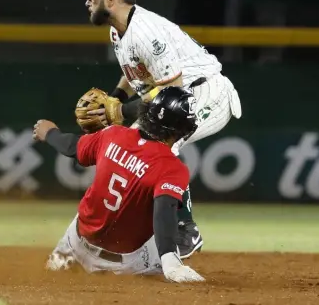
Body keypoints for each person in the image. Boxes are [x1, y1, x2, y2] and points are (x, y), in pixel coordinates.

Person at [72, 0, 242, 258]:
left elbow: (172, 93)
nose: (87, 2)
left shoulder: (145, 33)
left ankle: (186, 229)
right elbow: (134, 73)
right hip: (175, 96)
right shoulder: (119, 29)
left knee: (160, 145)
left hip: (205, 93)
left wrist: (122, 110)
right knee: (128, 150)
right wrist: (115, 98)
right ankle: (124, 232)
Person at [33, 86, 205, 283]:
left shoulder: (113, 134)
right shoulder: (172, 167)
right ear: (184, 129)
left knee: (47, 283)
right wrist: (170, 263)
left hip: (75, 243)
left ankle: (60, 260)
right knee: (174, 243)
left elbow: (72, 146)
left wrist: (50, 133)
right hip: (124, 265)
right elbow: (164, 214)